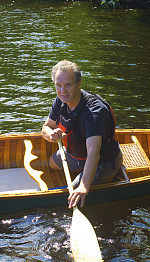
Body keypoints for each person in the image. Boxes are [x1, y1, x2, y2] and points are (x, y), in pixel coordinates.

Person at [41, 60, 122, 208]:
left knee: (71, 197)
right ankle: (85, 174)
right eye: (58, 85)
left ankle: (112, 173)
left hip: (102, 161)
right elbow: (46, 127)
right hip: (76, 153)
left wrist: (84, 187)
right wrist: (51, 134)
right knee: (51, 164)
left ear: (79, 83)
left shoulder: (94, 112)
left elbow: (94, 153)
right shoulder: (61, 101)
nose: (62, 90)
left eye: (68, 85)